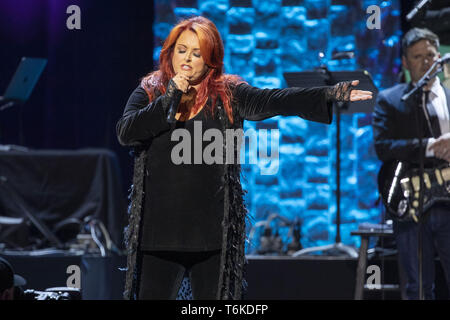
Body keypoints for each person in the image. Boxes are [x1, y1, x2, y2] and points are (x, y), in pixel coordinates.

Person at [116, 16, 372, 300]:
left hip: (212, 238)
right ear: (170, 52)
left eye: (197, 53)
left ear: (211, 60)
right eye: (182, 50)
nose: (187, 58)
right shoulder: (151, 91)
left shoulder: (227, 94)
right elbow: (127, 131)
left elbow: (275, 99)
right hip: (158, 236)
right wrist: (170, 97)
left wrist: (330, 93)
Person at [373, 27, 450, 299]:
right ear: (405, 62)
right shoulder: (391, 99)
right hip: (413, 203)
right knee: (418, 288)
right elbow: (383, 148)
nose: (426, 62)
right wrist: (430, 146)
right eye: (417, 57)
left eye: (431, 55)